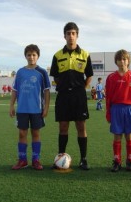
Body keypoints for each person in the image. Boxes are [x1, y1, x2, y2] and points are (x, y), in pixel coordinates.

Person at [50, 22, 93, 170]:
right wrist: (64, 88)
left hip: (78, 96)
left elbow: (89, 76)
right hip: (63, 97)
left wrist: (80, 89)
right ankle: (60, 157)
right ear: (64, 36)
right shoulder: (57, 55)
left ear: (77, 35)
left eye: (73, 33)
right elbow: (55, 77)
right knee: (63, 127)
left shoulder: (85, 54)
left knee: (81, 126)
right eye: (68, 33)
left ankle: (83, 159)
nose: (71, 36)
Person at [10, 44, 51, 170]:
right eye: (29, 55)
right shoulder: (20, 72)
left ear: (38, 56)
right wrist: (11, 105)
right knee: (22, 133)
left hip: (36, 109)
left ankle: (36, 160)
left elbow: (46, 91)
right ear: (25, 56)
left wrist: (46, 108)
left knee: (35, 133)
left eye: (34, 55)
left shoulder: (42, 72)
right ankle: (22, 160)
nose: (31, 57)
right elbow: (15, 90)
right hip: (22, 108)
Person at [105, 49, 131, 172]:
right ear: (116, 61)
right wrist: (108, 113)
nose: (122, 61)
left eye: (124, 59)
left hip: (129, 109)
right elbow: (108, 97)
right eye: (119, 59)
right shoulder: (111, 78)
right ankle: (117, 161)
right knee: (117, 136)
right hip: (116, 109)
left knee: (129, 136)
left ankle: (130, 161)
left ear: (128, 61)